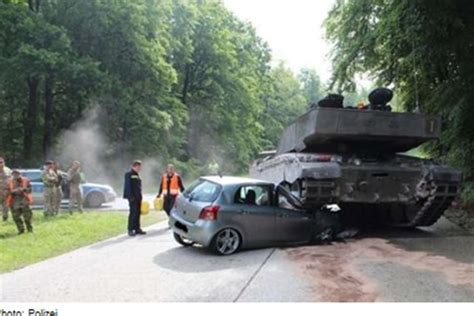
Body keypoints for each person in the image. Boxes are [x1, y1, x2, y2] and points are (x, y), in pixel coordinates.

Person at [6, 169, 33, 234]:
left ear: (19, 174)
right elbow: (6, 192)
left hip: (24, 200)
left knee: (27, 217)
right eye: (14, 174)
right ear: (12, 175)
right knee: (16, 217)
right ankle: (21, 230)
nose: (15, 175)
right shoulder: (9, 182)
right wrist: (12, 191)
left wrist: (23, 189)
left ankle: (30, 230)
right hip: (14, 201)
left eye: (17, 174)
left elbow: (30, 190)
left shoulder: (26, 180)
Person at [123, 160, 146, 236]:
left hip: (138, 197)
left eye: (140, 167)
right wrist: (130, 197)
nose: (140, 169)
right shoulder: (128, 174)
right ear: (134, 166)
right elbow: (128, 187)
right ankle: (130, 229)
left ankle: (137, 229)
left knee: (138, 213)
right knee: (133, 213)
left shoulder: (137, 174)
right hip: (132, 198)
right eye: (138, 167)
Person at [0, 157, 12, 221]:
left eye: (2, 162)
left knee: (5, 205)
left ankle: (5, 217)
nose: (1, 164)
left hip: (6, 191)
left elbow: (11, 179)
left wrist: (9, 189)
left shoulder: (8, 170)